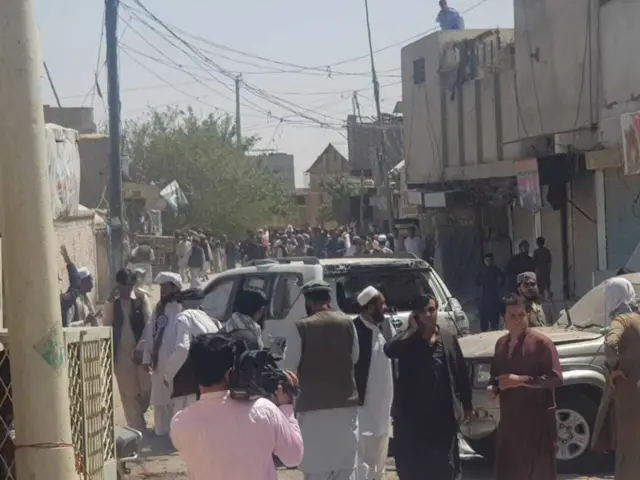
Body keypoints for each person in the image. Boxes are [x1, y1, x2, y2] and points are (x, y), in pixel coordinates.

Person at [170, 333, 303, 479]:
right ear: (230, 373)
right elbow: (293, 457)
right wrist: (286, 407)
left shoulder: (180, 423)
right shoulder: (264, 410)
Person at [384, 294, 472, 480]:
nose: (427, 315)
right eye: (422, 311)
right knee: (416, 469)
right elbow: (390, 350)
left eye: (431, 310)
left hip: (443, 418)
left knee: (446, 468)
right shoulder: (407, 341)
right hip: (414, 420)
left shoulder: (447, 339)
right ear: (415, 315)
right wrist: (412, 331)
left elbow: (460, 372)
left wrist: (466, 404)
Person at [284, 280, 360, 480]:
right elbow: (355, 357)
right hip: (345, 405)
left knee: (316, 470)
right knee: (345, 469)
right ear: (329, 299)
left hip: (313, 408)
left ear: (308, 301)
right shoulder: (347, 322)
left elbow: (289, 366)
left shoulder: (300, 326)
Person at [489, 294, 563, 480]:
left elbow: (555, 378)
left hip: (537, 425)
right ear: (503, 319)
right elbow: (495, 376)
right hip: (510, 425)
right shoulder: (501, 345)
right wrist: (493, 387)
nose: (518, 320)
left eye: (522, 315)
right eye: (513, 316)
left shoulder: (542, 344)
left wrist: (521, 380)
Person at [592, 278, 640, 479]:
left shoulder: (621, 320)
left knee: (627, 451)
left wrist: (611, 366)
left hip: (628, 396)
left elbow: (612, 342)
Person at [103, 268, 152, 432]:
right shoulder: (113, 303)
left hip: (140, 351)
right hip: (122, 353)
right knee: (128, 392)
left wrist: (142, 348)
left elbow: (149, 325)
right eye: (124, 286)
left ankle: (142, 415)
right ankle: (137, 429)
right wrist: (110, 301)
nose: (127, 289)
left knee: (147, 388)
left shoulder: (140, 299)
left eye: (130, 285)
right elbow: (106, 324)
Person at [353, 287, 393, 480]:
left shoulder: (385, 327)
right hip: (363, 406)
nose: (385, 307)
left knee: (380, 450)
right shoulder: (354, 330)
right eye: (381, 304)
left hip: (384, 407)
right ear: (369, 308)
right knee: (361, 452)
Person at [165, 289, 222, 414]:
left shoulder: (184, 317)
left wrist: (168, 374)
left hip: (189, 383)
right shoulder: (212, 321)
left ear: (183, 303)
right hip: (211, 383)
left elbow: (182, 349)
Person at [141, 272, 183, 436]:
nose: (163, 291)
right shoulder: (158, 308)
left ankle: (176, 435)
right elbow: (151, 332)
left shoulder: (182, 307)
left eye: (166, 287)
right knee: (159, 400)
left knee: (175, 400)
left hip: (176, 363)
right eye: (161, 287)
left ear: (175, 288)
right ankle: (161, 432)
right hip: (158, 363)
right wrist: (147, 357)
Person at [475, 253, 505, 332]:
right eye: (486, 260)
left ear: (492, 261)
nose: (488, 262)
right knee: (484, 314)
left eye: (490, 260)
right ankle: (484, 329)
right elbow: (476, 280)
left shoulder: (496, 269)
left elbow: (503, 278)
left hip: (493, 295)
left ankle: (494, 327)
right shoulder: (482, 270)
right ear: (484, 261)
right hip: (484, 296)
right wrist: (480, 284)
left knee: (494, 314)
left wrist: (499, 285)